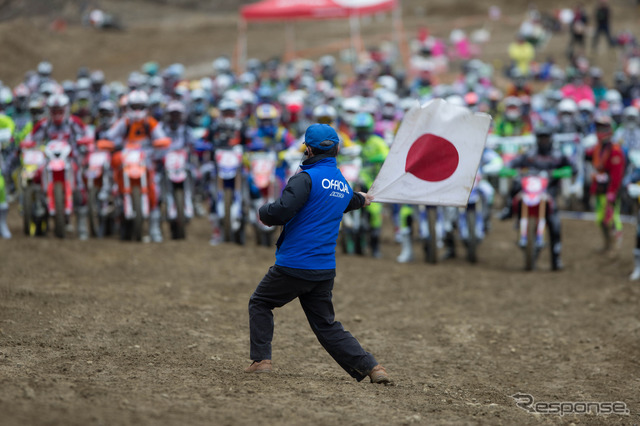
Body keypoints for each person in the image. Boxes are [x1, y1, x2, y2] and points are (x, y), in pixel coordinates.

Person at [245, 123, 390, 384]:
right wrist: (363, 199)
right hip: (323, 270)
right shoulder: (343, 184)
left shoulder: (304, 179)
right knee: (326, 325)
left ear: (308, 150)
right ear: (336, 149)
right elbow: (351, 200)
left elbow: (282, 210)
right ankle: (372, 367)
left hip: (294, 264)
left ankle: (261, 360)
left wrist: (263, 211)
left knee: (261, 302)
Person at [501, 126, 573, 270]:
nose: (543, 141)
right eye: (541, 138)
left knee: (555, 225)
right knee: (515, 185)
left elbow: (573, 167)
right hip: (530, 191)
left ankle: (556, 258)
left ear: (551, 139)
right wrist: (509, 167)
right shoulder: (530, 154)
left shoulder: (558, 155)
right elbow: (513, 163)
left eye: (546, 137)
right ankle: (509, 208)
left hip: (548, 195)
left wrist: (559, 173)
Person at [590, 115, 625, 252]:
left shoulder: (615, 150)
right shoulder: (598, 148)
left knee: (612, 218)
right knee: (600, 218)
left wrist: (612, 192)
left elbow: (617, 174)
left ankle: (617, 248)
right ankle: (607, 244)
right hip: (600, 189)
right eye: (598, 128)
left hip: (611, 190)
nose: (600, 131)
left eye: (603, 128)